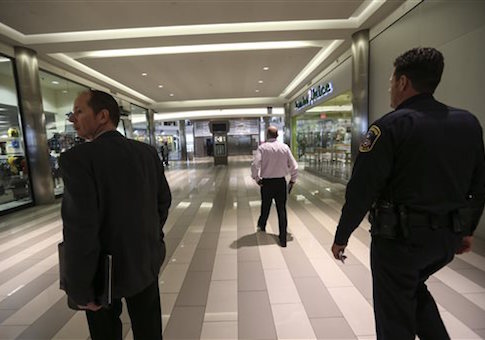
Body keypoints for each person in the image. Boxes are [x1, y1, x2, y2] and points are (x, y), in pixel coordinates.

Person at [331, 47, 485, 339]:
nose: (390, 88)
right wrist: (466, 230)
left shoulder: (389, 127)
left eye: (391, 81)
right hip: (444, 240)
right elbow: (479, 184)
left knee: (394, 318)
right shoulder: (468, 123)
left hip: (400, 242)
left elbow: (362, 189)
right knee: (413, 291)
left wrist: (342, 236)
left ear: (402, 82)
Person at [59, 90, 171, 340]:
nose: (72, 119)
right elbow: (163, 202)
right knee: (149, 328)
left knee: (105, 332)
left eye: (78, 112)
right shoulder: (146, 153)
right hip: (144, 260)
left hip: (100, 269)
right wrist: (149, 236)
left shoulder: (78, 160)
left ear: (102, 116)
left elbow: (80, 228)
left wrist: (80, 289)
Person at [251, 126, 298, 247]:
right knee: (281, 209)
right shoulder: (284, 147)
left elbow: (255, 165)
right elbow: (294, 166)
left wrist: (257, 179)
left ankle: (262, 225)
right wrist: (292, 180)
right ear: (277, 135)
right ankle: (283, 238)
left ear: (267, 135)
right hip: (280, 183)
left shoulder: (262, 148)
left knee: (265, 206)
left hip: (266, 183)